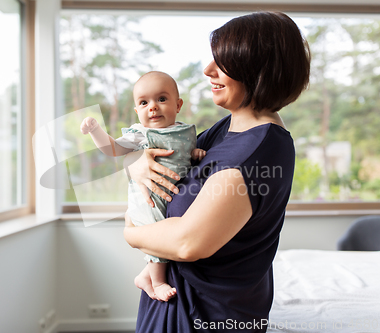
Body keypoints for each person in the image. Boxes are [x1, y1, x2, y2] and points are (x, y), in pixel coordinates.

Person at [123, 12, 310, 332]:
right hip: (177, 301)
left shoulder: (255, 153)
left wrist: (131, 234)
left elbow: (187, 243)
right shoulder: (230, 129)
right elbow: (165, 160)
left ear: (259, 69)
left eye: (222, 63)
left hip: (204, 316)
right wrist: (136, 162)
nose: (208, 70)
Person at [80, 71, 206, 302]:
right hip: (148, 197)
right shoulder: (141, 134)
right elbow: (113, 150)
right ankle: (157, 281)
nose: (153, 107)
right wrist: (96, 130)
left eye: (161, 99)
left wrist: (195, 153)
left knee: (172, 229)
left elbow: (186, 156)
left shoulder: (185, 131)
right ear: (137, 111)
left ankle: (145, 275)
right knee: (158, 232)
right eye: (144, 102)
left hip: (172, 193)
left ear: (178, 105)